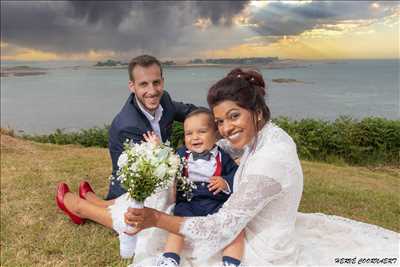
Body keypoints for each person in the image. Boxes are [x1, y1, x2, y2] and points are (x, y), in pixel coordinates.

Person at [123, 68, 399, 266]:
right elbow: (221, 147)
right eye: (219, 121)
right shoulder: (265, 133)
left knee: (166, 234)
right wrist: (165, 154)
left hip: (261, 251)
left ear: (255, 110)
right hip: (247, 224)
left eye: (234, 116)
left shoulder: (271, 158)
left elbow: (221, 228)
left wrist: (156, 218)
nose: (226, 129)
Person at [145, 108, 241, 267]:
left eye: (201, 132)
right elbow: (167, 161)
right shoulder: (182, 154)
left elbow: (236, 175)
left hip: (215, 203)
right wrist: (157, 148)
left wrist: (225, 182)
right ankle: (170, 258)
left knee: (234, 229)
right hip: (188, 203)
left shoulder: (223, 156)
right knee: (177, 227)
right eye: (189, 134)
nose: (194, 137)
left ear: (215, 134)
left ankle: (231, 261)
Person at [106, 54, 196, 200]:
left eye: (156, 82)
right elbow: (153, 170)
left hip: (164, 175)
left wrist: (218, 119)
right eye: (143, 84)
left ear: (163, 81)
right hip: (135, 190)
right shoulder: (128, 126)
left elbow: (189, 111)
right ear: (132, 86)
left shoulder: (164, 98)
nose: (152, 91)